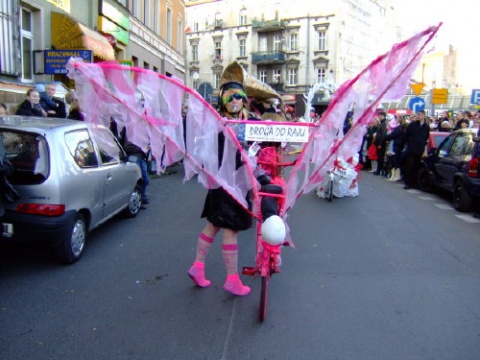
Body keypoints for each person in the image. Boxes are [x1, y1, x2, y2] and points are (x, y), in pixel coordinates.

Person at [187, 76, 258, 296]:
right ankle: (232, 279)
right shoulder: (218, 124)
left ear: (245, 100)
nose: (235, 100)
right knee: (230, 229)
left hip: (225, 185)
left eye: (239, 96)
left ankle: (197, 267)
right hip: (228, 185)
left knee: (213, 225)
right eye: (230, 97)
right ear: (223, 101)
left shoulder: (244, 122)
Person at [403, 110, 430, 189]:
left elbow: (426, 137)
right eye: (417, 114)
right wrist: (409, 144)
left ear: (423, 116)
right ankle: (408, 183)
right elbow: (407, 136)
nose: (418, 116)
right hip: (411, 148)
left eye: (420, 114)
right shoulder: (412, 125)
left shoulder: (426, 127)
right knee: (409, 166)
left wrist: (423, 145)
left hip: (419, 149)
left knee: (416, 166)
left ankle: (414, 183)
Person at [372, 111, 388, 176]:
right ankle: (378, 169)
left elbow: (383, 134)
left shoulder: (384, 123)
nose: (379, 117)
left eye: (381, 115)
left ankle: (379, 170)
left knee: (380, 157)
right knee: (379, 157)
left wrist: (380, 144)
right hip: (378, 142)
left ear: (383, 116)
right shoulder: (381, 123)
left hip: (381, 143)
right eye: (379, 115)